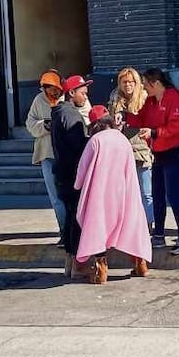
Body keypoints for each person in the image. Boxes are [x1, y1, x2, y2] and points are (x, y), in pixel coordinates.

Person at [73, 105, 153, 284]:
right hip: (124, 190)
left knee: (97, 228)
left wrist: (77, 185)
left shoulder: (95, 141)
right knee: (131, 225)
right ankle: (140, 264)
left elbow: (82, 168)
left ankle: (101, 270)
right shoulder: (122, 139)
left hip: (100, 193)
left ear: (94, 125)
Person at [128, 68, 179, 255]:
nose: (144, 88)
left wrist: (154, 132)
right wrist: (124, 116)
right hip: (159, 153)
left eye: (146, 85)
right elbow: (140, 118)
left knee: (173, 196)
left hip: (176, 153)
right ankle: (158, 235)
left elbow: (176, 127)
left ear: (155, 83)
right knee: (157, 195)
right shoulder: (150, 101)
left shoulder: (173, 97)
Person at [50, 74, 93, 274]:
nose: (85, 96)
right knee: (77, 219)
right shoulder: (71, 115)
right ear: (72, 93)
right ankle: (78, 264)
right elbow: (79, 146)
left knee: (70, 217)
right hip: (72, 174)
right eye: (83, 93)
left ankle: (70, 264)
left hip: (62, 173)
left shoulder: (60, 113)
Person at [109, 67, 156, 232]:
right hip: (122, 151)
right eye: (124, 82)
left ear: (137, 83)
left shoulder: (145, 98)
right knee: (125, 194)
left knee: (146, 192)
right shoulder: (115, 99)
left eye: (131, 82)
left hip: (141, 150)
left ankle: (149, 226)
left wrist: (128, 116)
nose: (128, 85)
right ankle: (129, 226)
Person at [25, 70, 67, 238]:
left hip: (68, 153)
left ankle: (75, 230)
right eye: (48, 88)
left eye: (54, 87)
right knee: (55, 196)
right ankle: (64, 230)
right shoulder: (39, 100)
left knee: (71, 193)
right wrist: (44, 125)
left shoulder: (69, 97)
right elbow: (30, 123)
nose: (51, 91)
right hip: (47, 154)